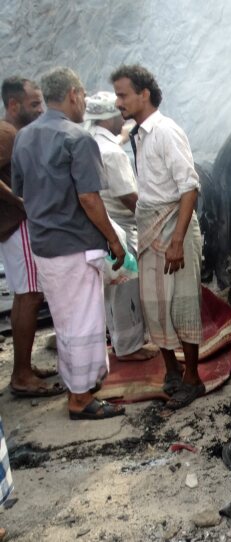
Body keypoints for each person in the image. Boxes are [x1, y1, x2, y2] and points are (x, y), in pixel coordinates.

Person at [11, 67, 126, 420]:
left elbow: (19, 191)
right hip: (74, 246)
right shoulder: (77, 138)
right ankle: (80, 399)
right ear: (75, 95)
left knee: (65, 321)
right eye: (84, 98)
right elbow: (90, 199)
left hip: (44, 245)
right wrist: (114, 241)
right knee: (83, 324)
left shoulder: (24, 138)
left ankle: (81, 388)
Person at [111, 64, 205, 410]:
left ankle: (193, 379)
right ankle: (172, 370)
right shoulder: (138, 133)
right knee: (153, 305)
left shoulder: (166, 131)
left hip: (173, 227)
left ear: (143, 94)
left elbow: (190, 188)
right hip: (150, 226)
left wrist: (178, 239)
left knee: (182, 304)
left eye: (123, 94)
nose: (118, 102)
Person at [0, 77, 65, 398]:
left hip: (18, 226)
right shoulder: (6, 133)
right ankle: (22, 375)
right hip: (19, 226)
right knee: (29, 296)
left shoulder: (15, 134)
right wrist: (19, 200)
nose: (41, 109)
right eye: (35, 103)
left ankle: (24, 369)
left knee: (28, 295)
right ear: (14, 105)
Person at [84, 91, 158, 363]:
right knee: (126, 290)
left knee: (111, 289)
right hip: (123, 228)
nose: (122, 115)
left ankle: (120, 341)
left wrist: (123, 136)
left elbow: (115, 139)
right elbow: (129, 197)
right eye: (118, 112)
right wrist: (154, 218)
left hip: (100, 227)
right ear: (108, 117)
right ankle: (129, 347)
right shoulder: (113, 154)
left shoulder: (90, 140)